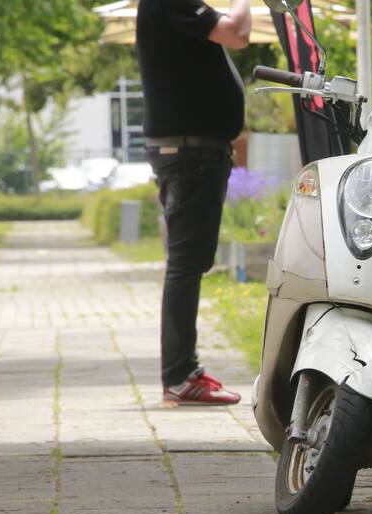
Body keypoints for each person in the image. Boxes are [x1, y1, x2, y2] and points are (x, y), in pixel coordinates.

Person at [137, 0, 251, 405]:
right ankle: (180, 375)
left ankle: (181, 372)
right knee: (187, 263)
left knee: (189, 262)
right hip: (190, 155)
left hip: (190, 152)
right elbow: (237, 33)